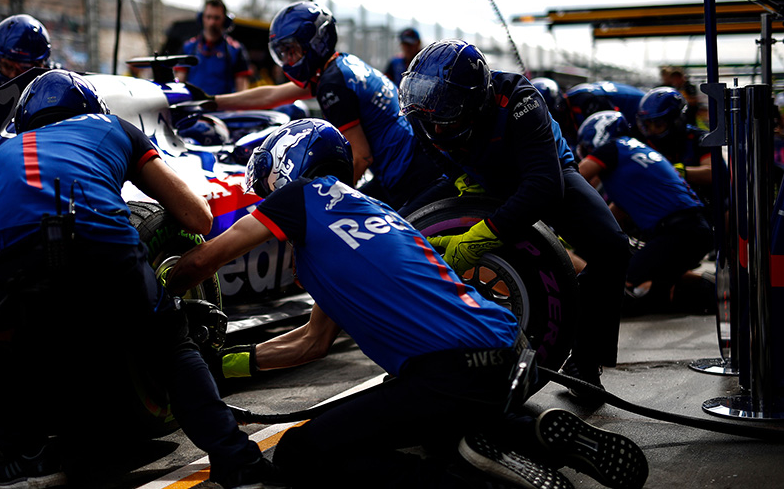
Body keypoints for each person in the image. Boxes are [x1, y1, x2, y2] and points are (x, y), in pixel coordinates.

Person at [165, 118, 649, 489]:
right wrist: (227, 363)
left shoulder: (298, 201)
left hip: (449, 369)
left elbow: (203, 262)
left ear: (286, 166)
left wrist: (163, 280)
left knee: (299, 453)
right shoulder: (373, 213)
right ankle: (529, 431)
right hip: (507, 354)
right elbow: (311, 343)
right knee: (434, 421)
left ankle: (465, 482)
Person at [0, 70, 279, 489]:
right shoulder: (114, 127)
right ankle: (238, 463)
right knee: (170, 343)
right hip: (104, 250)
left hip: (9, 264)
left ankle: (28, 457)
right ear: (90, 108)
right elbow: (199, 218)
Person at [397, 39, 630, 404]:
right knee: (397, 226)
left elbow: (544, 187)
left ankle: (583, 364)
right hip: (480, 178)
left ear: (475, 101)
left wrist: (479, 236)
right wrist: (461, 179)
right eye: (428, 117)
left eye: (445, 118)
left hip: (542, 174)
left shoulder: (521, 101)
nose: (435, 127)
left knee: (613, 249)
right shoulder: (423, 112)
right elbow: (432, 145)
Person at [213, 1, 442, 211]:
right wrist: (213, 101)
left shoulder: (332, 85)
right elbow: (272, 95)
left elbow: (361, 157)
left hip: (407, 174)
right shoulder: (340, 66)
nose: (288, 61)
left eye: (291, 51)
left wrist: (327, 209)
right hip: (414, 161)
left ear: (314, 43)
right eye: (282, 53)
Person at [576, 111, 714, 315]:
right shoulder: (634, 154)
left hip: (677, 232)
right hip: (696, 230)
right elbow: (613, 217)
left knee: (620, 284)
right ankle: (721, 292)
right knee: (658, 296)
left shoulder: (612, 148)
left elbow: (575, 177)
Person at [635, 86, 711, 192]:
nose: (652, 130)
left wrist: (674, 171)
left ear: (675, 122)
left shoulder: (699, 139)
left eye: (658, 124)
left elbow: (712, 172)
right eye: (647, 125)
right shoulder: (643, 143)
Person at [174, 0, 252, 95]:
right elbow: (179, 83)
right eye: (208, 17)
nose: (212, 22)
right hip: (194, 107)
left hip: (224, 108)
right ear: (202, 18)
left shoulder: (235, 50)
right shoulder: (188, 47)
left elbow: (242, 89)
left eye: (216, 18)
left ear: (225, 20)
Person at [564, 81, 644, 139]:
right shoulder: (574, 97)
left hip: (639, 110)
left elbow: (608, 132)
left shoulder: (587, 102)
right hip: (626, 105)